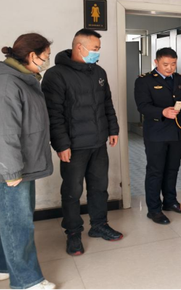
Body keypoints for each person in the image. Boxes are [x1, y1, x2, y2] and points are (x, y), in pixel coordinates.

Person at [0, 33, 56, 290]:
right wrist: (11, 170)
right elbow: (1, 131)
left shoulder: (19, 79)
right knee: (18, 223)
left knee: (11, 219)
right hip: (8, 168)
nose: (47, 61)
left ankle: (5, 267)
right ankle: (27, 281)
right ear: (32, 56)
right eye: (46, 56)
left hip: (18, 164)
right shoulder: (6, 83)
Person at [41, 29, 121, 257]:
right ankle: (73, 233)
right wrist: (61, 145)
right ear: (79, 47)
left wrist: (112, 129)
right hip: (73, 146)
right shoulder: (56, 75)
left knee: (99, 188)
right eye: (95, 49)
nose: (97, 53)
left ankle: (99, 225)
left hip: (98, 143)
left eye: (98, 49)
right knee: (72, 192)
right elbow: (53, 114)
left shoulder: (98, 72)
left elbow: (107, 103)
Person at [134, 47, 181, 225]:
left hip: (177, 132)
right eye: (165, 64)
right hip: (156, 133)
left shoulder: (179, 79)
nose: (170, 68)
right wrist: (162, 112)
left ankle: (170, 201)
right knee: (155, 171)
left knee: (172, 169)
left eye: (173, 64)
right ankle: (154, 209)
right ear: (156, 62)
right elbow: (142, 106)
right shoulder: (144, 81)